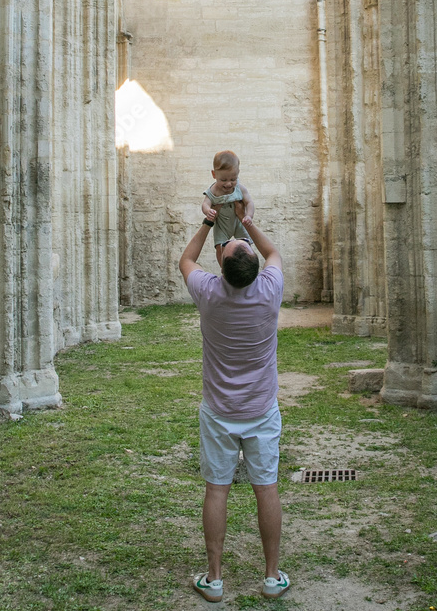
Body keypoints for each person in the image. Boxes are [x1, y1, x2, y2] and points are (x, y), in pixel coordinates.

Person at [179, 210, 291, 602]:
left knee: (217, 490)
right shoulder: (270, 289)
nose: (232, 241)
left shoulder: (209, 293)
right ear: (257, 270)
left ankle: (214, 578)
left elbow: (185, 260)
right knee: (267, 489)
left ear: (222, 269)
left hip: (219, 412)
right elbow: (273, 251)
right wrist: (249, 222)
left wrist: (210, 224)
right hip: (261, 411)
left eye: (231, 246)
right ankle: (272, 577)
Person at [201, 150, 255, 268]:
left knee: (246, 246)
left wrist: (248, 216)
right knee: (219, 248)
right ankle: (224, 269)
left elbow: (249, 202)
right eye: (223, 180)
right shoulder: (213, 191)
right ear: (214, 174)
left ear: (238, 173)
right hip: (222, 225)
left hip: (239, 222)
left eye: (233, 179)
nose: (229, 184)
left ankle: (248, 266)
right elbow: (205, 204)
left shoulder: (240, 188)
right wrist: (208, 211)